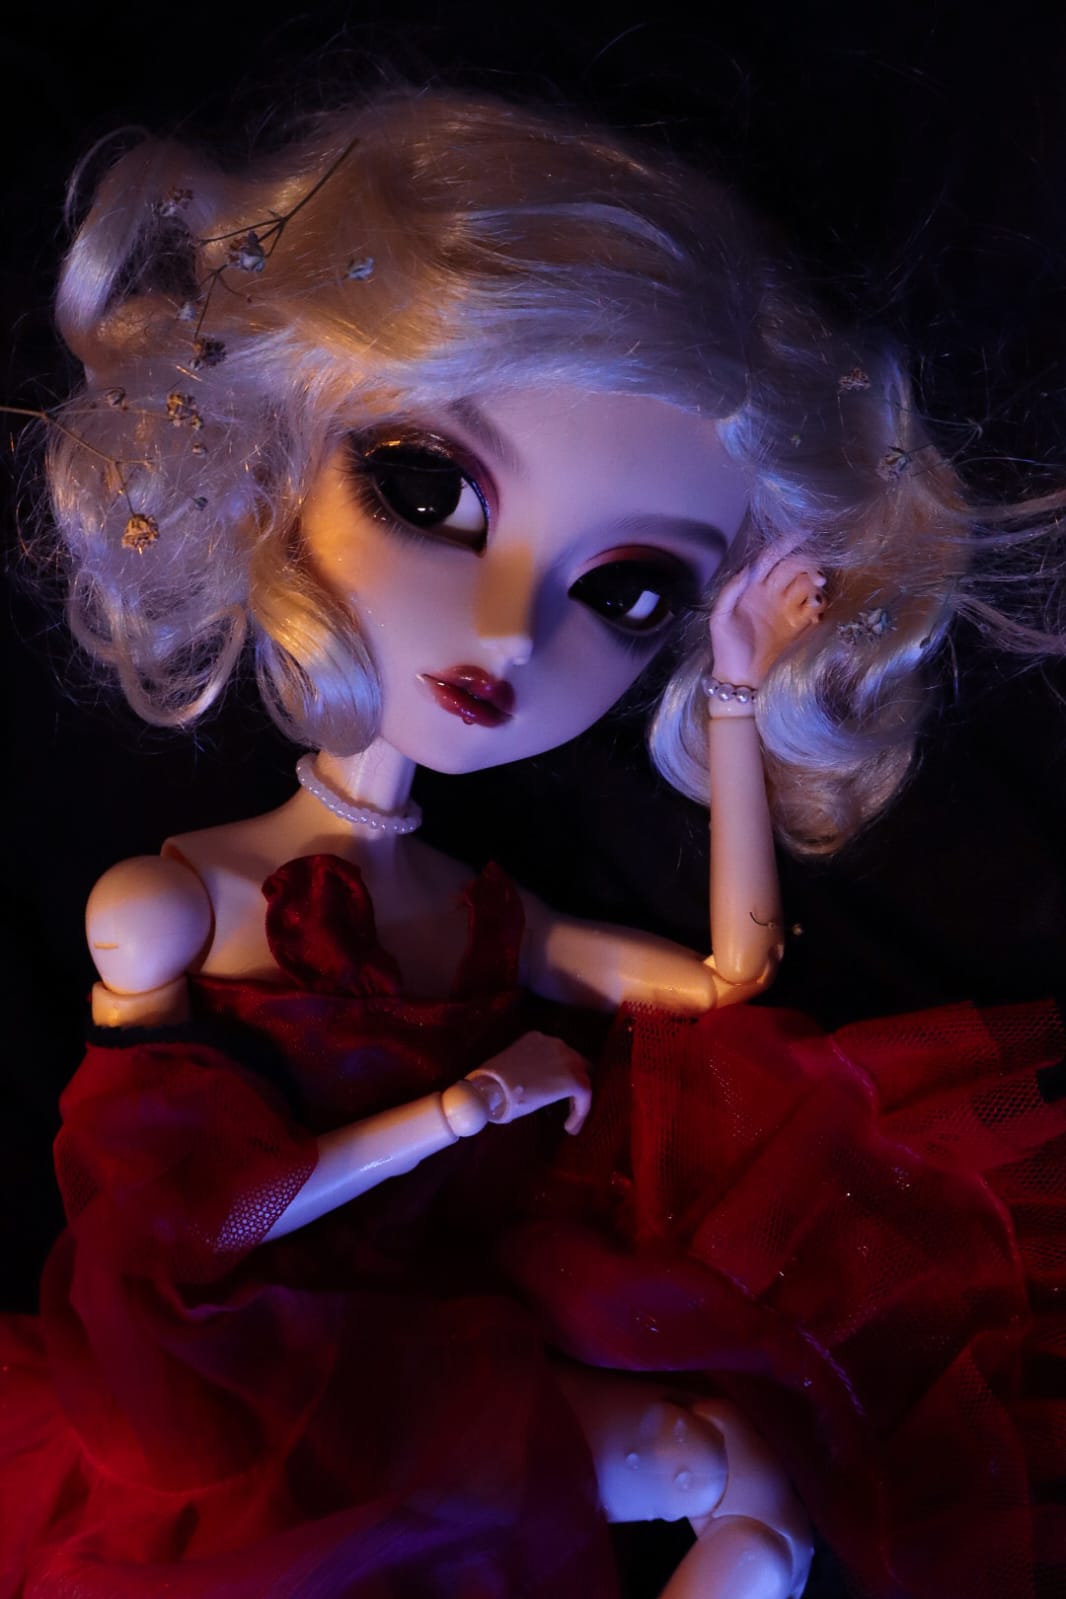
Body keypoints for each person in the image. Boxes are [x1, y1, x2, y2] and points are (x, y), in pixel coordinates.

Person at [2, 85, 1062, 1598]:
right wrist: (457, 1112)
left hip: (449, 1346)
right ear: (259, 463)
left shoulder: (482, 912)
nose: (508, 631)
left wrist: (739, 685)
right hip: (237, 1389)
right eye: (424, 486)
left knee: (757, 1491)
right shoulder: (172, 904)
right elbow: (177, 1234)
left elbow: (726, 978)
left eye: (628, 591)